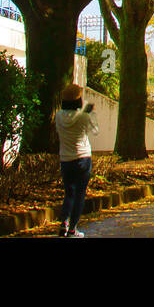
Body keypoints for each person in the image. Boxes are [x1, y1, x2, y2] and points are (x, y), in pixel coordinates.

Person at [54, 83, 98, 238]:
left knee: (69, 193)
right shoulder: (84, 116)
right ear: (78, 101)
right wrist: (89, 113)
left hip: (65, 158)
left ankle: (63, 224)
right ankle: (73, 229)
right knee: (80, 194)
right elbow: (95, 130)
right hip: (83, 158)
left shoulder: (58, 116)